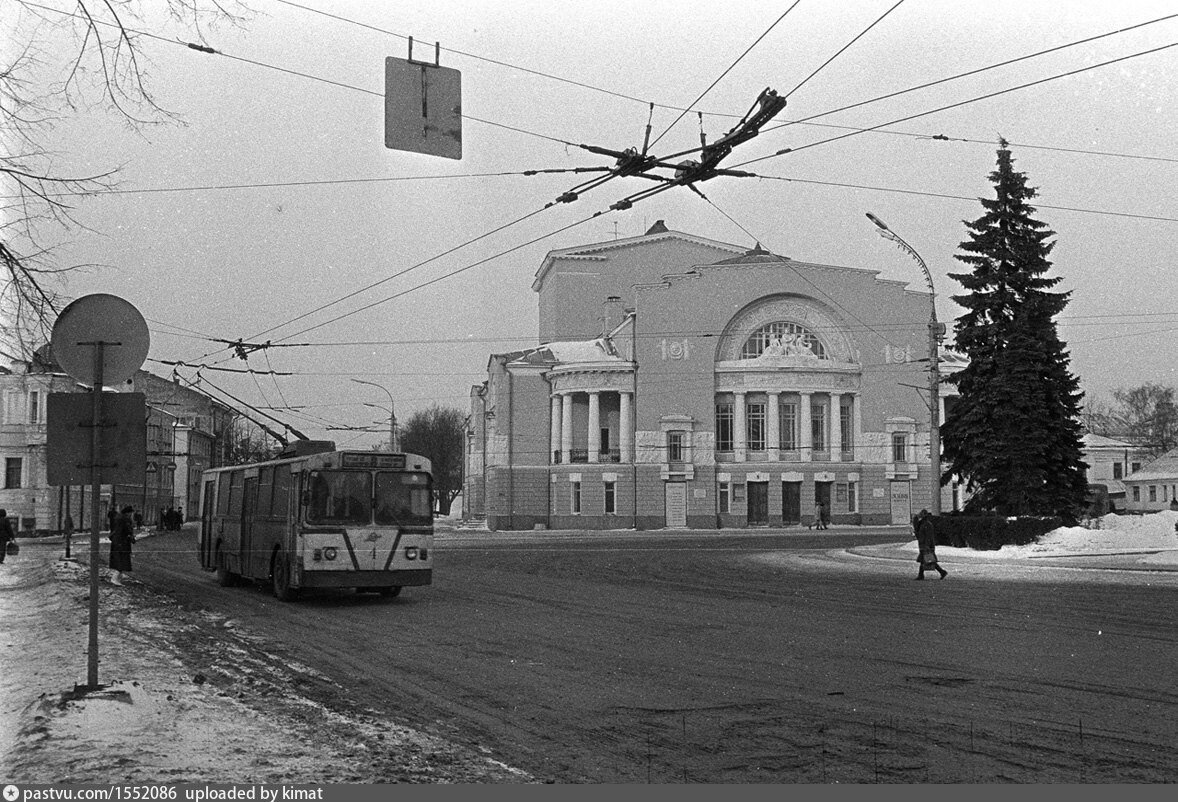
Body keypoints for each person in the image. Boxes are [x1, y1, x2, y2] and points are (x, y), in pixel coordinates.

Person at [914, 509, 948, 580]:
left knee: (927, 559)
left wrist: (927, 545)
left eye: (921, 514)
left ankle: (921, 575)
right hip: (923, 544)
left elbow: (929, 536)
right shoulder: (923, 523)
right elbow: (916, 528)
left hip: (926, 545)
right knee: (926, 560)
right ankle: (941, 572)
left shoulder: (927, 524)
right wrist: (915, 518)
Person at [109, 505, 136, 586]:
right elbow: (126, 532)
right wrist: (131, 538)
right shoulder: (125, 520)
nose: (131, 515)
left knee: (120, 561)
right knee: (121, 561)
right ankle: (115, 579)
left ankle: (118, 578)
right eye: (130, 513)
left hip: (118, 543)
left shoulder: (119, 519)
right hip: (122, 544)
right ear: (128, 513)